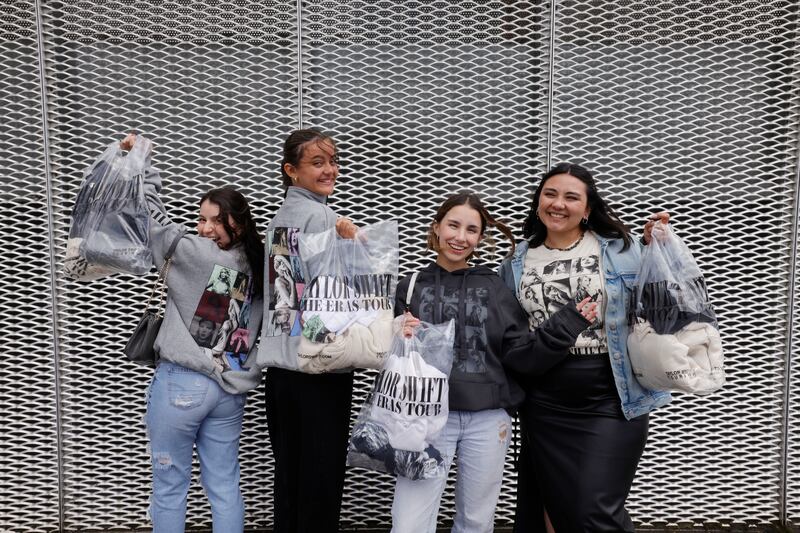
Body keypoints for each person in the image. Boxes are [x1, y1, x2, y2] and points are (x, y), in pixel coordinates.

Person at [392, 192, 598, 533]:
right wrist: (395, 330)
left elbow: (521, 354)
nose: (460, 237)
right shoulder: (410, 285)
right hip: (423, 416)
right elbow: (386, 350)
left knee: (475, 522)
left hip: (487, 420)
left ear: (480, 238)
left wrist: (566, 325)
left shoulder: (495, 287)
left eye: (471, 230)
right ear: (436, 228)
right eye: (453, 225)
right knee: (409, 523)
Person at [498, 163, 673, 533]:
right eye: (550, 194)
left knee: (594, 511)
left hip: (610, 394)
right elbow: (510, 334)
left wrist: (653, 246)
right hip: (544, 400)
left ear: (588, 208)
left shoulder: (620, 250)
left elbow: (657, 296)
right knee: (553, 507)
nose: (558, 204)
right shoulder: (516, 262)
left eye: (571, 197)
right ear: (537, 202)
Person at [115, 134, 265, 532]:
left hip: (183, 385)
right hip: (230, 390)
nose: (205, 227)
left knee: (169, 485)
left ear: (239, 222)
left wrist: (143, 160)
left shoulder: (198, 254)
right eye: (201, 218)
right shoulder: (259, 266)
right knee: (224, 485)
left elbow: (151, 218)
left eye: (216, 219)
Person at [256, 129, 358, 533]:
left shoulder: (279, 219)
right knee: (320, 483)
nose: (330, 169)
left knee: (290, 478)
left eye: (332, 161)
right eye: (317, 163)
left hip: (281, 368)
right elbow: (331, 296)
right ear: (291, 171)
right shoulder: (324, 217)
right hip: (319, 365)